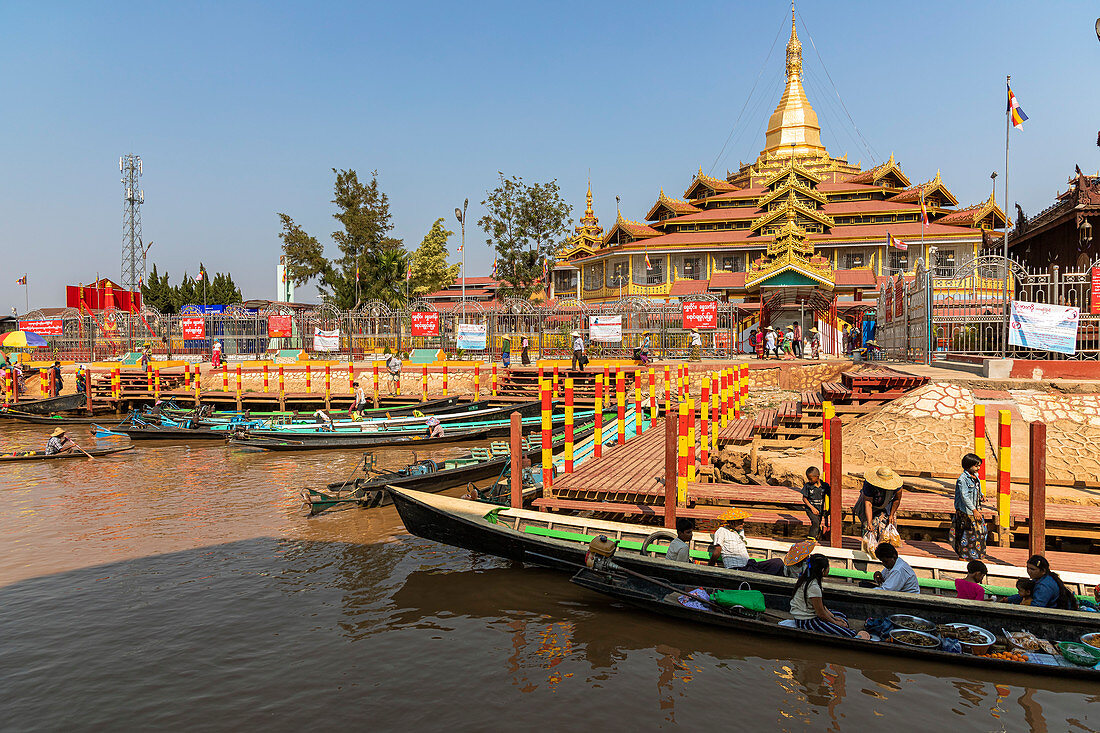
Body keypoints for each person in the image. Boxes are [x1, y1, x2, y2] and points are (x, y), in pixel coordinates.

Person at [790, 555, 870, 639]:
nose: (829, 569)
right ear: (823, 570)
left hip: (813, 614)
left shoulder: (809, 579)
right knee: (848, 635)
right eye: (828, 567)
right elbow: (821, 614)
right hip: (807, 621)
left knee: (841, 616)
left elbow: (822, 607)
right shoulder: (813, 587)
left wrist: (834, 618)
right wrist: (835, 622)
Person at [710, 510, 785, 574]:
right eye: (740, 522)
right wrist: (710, 567)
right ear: (732, 522)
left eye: (743, 521)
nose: (743, 524)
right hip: (737, 569)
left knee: (778, 562)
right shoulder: (721, 531)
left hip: (749, 565)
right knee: (763, 575)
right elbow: (717, 550)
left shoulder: (740, 531)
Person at [1002, 555, 1078, 610]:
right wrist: (1008, 599)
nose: (1029, 571)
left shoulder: (1043, 586)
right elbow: (1025, 594)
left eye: (1032, 569)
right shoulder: (1040, 579)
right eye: (1027, 568)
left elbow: (1036, 608)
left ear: (1043, 571)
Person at [854, 466, 904, 548]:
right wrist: (869, 522)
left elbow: (897, 500)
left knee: (886, 530)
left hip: (887, 506)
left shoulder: (897, 487)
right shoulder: (869, 485)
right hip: (871, 507)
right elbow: (868, 503)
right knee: (870, 528)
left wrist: (891, 515)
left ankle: (884, 550)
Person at [951, 452, 986, 560]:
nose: (978, 468)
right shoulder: (962, 479)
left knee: (979, 531)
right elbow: (964, 496)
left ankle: (974, 554)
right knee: (966, 533)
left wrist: (981, 495)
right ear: (968, 466)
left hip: (974, 508)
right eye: (976, 466)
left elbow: (976, 488)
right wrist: (974, 510)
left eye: (979, 465)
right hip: (966, 510)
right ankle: (963, 555)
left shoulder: (975, 476)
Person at [801, 466, 831, 540]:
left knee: (818, 523)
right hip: (810, 509)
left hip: (820, 510)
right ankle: (810, 539)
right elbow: (804, 498)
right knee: (815, 522)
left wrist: (829, 509)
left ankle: (818, 535)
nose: (809, 480)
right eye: (808, 479)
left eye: (811, 479)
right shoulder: (808, 486)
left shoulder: (824, 486)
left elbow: (831, 496)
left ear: (817, 477)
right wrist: (812, 508)